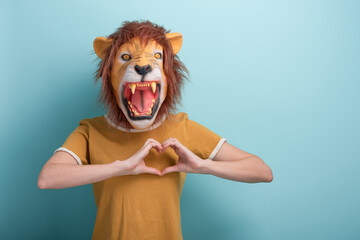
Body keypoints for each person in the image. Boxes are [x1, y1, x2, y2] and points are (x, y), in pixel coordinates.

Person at [37, 20, 273, 240]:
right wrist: (122, 167)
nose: (141, 65)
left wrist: (203, 166)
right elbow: (47, 179)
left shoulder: (182, 128)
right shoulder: (91, 131)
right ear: (109, 76)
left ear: (169, 77)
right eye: (126, 57)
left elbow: (262, 171)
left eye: (156, 56)